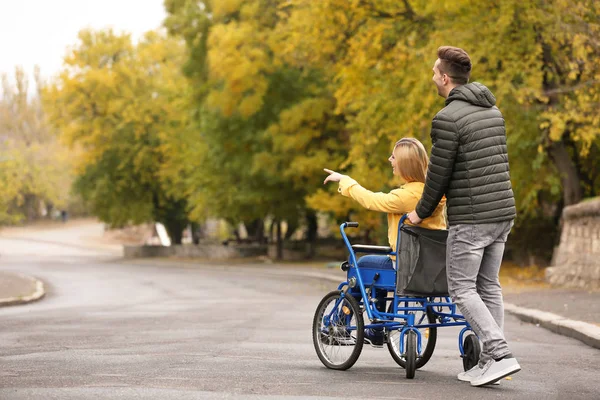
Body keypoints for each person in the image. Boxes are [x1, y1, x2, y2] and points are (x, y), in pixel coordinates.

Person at [407, 46, 520, 387]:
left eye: (433, 72)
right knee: (488, 286)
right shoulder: (493, 111)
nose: (431, 77)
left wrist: (419, 212)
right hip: (502, 212)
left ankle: (500, 353)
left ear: (444, 77)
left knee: (461, 289)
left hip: (473, 217)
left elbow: (438, 175)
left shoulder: (447, 119)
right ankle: (489, 362)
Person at [323, 137, 447, 346]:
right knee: (379, 269)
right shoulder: (435, 194)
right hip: (433, 268)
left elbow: (371, 200)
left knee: (362, 266)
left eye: (393, 157)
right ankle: (377, 329)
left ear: (405, 164)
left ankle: (342, 323)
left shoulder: (404, 196)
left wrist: (346, 180)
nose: (390, 160)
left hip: (406, 266)